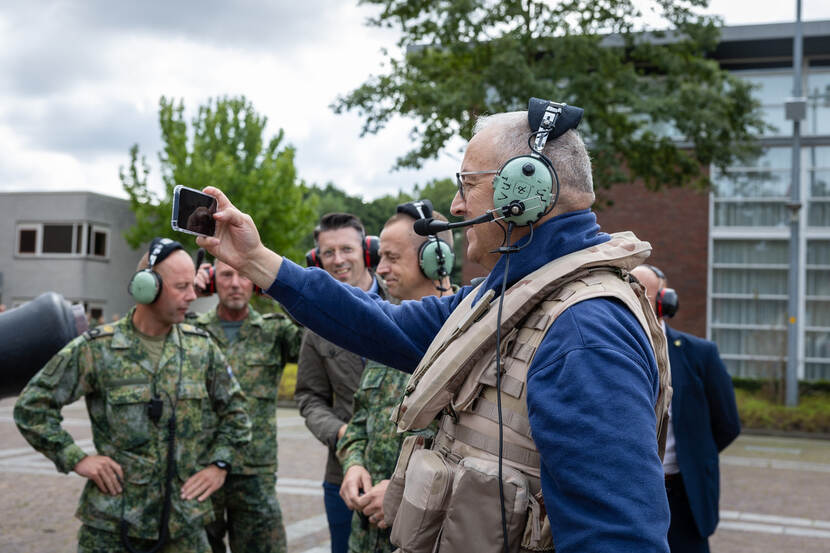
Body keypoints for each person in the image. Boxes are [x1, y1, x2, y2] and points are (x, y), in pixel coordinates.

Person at [197, 98, 672, 552]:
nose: (458, 205)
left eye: (467, 183)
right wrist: (257, 260)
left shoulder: (584, 334)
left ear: (522, 191)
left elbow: (617, 538)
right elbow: (378, 322)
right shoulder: (505, 299)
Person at [14, 238, 251, 553]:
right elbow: (32, 407)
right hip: (112, 528)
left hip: (184, 525)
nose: (192, 296)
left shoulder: (200, 348)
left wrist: (219, 464)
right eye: (181, 287)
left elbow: (237, 414)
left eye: (192, 285)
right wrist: (77, 458)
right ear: (147, 288)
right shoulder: (97, 349)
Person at [336, 201, 452, 553]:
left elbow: (480, 456)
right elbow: (359, 423)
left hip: (428, 539)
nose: (381, 269)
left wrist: (406, 492)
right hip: (365, 539)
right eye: (379, 257)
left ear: (435, 259)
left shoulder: (469, 336)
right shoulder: (385, 330)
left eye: (392, 257)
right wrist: (353, 464)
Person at [294, 212, 390, 553]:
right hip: (343, 475)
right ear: (316, 259)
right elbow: (309, 396)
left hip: (406, 472)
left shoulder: (407, 305)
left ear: (367, 251)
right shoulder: (315, 321)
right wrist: (338, 432)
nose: (338, 260)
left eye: (346, 249)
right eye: (328, 253)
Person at [192, 258, 301, 553]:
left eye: (244, 275)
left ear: (255, 282)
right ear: (213, 280)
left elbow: (314, 340)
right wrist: (188, 291)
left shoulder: (275, 331)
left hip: (255, 469)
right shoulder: (191, 330)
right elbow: (147, 331)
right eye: (226, 275)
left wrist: (280, 290)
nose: (236, 283)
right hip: (200, 466)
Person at [631, 264, 741, 553]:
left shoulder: (700, 354)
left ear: (666, 302)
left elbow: (727, 423)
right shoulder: (611, 352)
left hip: (684, 495)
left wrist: (693, 454)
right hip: (631, 495)